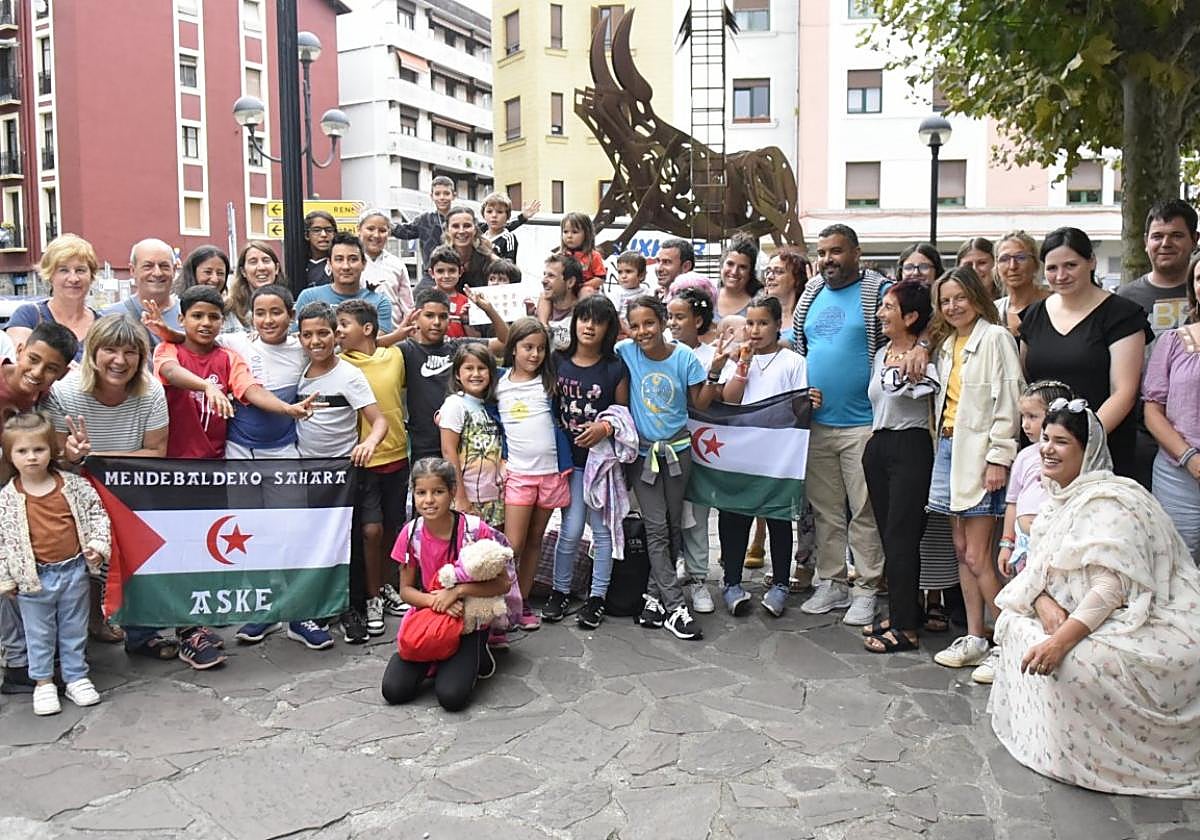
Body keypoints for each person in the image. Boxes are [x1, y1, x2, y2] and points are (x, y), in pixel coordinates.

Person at [989, 402, 1200, 798]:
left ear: (1087, 451)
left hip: (1140, 615)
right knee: (1018, 627)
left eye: (1062, 442)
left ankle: (1112, 761)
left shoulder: (1110, 502)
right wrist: (1045, 606)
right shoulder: (1058, 500)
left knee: (1078, 660)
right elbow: (1037, 570)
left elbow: (1110, 590)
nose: (1048, 449)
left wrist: (1059, 639)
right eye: (1045, 439)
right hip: (1075, 609)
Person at [794, 224, 906, 626]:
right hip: (818, 426)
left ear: (856, 252)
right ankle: (832, 582)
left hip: (863, 424)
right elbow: (799, 348)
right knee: (826, 512)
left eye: (836, 251)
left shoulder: (878, 291)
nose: (828, 260)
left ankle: (866, 589)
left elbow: (903, 337)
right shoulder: (811, 294)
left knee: (865, 511)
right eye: (822, 253)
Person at [48, 315, 170, 660]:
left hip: (130, 488)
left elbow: (156, 452)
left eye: (130, 352)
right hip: (76, 487)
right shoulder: (64, 393)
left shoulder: (151, 392)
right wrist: (72, 455)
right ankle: (82, 627)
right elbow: (59, 457)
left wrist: (94, 455)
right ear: (93, 353)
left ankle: (141, 629)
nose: (119, 360)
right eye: (110, 350)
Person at [928, 266, 1023, 670]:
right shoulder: (948, 344)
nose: (953, 306)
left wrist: (999, 457)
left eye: (959, 298)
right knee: (961, 551)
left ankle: (1008, 641)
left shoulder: (996, 338)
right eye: (945, 300)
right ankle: (975, 636)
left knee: (979, 556)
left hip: (981, 453)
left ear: (976, 297)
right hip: (948, 448)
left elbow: (1010, 401)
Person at [618, 295, 721, 640]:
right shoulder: (625, 354)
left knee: (674, 525)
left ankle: (652, 596)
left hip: (678, 454)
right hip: (644, 457)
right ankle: (676, 606)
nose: (642, 331)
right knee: (656, 527)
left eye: (649, 323)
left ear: (663, 322)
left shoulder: (685, 358)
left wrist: (716, 369)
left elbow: (700, 403)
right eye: (635, 325)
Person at [0, 412, 110, 716]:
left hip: (73, 570)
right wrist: (6, 578)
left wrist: (98, 546)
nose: (32, 457)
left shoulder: (72, 486)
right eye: (22, 451)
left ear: (52, 450)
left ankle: (76, 676)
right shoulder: (7, 499)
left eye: (39, 449)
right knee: (39, 633)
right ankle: (43, 682)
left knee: (74, 628)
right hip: (33, 579)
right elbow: (1, 542)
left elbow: (98, 514)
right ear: (10, 455)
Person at [292, 302, 390, 644]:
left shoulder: (348, 374)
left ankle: (353, 607)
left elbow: (379, 420)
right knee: (316, 542)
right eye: (307, 334)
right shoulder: (300, 369)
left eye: (323, 333)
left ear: (336, 335)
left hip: (345, 472)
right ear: (299, 337)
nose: (315, 341)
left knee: (351, 541)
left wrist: (368, 444)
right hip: (308, 471)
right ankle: (318, 607)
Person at [1019, 227, 1150, 478]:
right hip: (1043, 451)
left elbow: (1124, 392)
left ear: (1091, 262)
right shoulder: (1034, 315)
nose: (1061, 275)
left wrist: (1082, 440)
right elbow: (1027, 380)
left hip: (1101, 449)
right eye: (1052, 268)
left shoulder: (1121, 315)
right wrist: (1049, 442)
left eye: (1070, 265)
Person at [382, 458, 511, 711]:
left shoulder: (475, 530)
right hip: (432, 612)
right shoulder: (410, 534)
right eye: (421, 493)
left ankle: (478, 652)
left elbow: (503, 584)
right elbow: (406, 590)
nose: (429, 500)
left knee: (451, 697)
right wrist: (436, 602)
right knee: (394, 690)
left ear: (452, 492)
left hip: (469, 616)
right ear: (414, 495)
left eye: (438, 492)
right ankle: (446, 659)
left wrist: (458, 591)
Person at [970, 379, 1074, 683]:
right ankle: (1007, 651)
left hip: (1052, 545)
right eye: (1023, 417)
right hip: (1024, 546)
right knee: (1021, 599)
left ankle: (1046, 653)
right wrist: (1007, 542)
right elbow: (1013, 502)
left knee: (1049, 598)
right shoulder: (1025, 457)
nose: (1026, 425)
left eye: (1034, 416)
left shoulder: (1067, 457)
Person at [715, 295, 811, 618]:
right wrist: (741, 365)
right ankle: (731, 581)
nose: (755, 330)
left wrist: (810, 400)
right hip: (741, 451)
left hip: (777, 454)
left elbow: (797, 407)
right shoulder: (738, 359)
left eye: (763, 323)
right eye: (751, 323)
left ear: (777, 324)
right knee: (734, 515)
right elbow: (729, 399)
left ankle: (781, 583)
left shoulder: (793, 362)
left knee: (778, 516)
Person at [542, 296, 629, 629]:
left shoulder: (614, 367)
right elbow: (548, 406)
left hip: (602, 466)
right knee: (571, 529)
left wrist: (605, 427)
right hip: (570, 464)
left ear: (608, 328)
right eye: (584, 318)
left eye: (598, 321)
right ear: (575, 321)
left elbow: (623, 414)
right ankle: (560, 591)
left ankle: (597, 598)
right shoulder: (558, 360)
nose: (590, 326)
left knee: (604, 533)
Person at [861, 281, 938, 654]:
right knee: (889, 537)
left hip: (911, 444)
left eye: (889, 308)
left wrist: (923, 345)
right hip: (879, 444)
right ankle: (902, 611)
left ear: (911, 316)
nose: (881, 314)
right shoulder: (882, 353)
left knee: (902, 537)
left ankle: (906, 629)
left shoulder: (929, 353)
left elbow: (939, 323)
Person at [0, 323, 77, 695]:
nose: (37, 373)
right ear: (21, 350)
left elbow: (58, 452)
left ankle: (30, 661)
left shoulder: (49, 401)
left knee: (18, 582)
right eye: (33, 360)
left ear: (62, 373)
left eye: (51, 368)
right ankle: (18, 662)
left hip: (18, 501)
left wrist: (70, 455)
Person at [334, 299, 411, 639]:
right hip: (363, 461)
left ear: (366, 328)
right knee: (371, 531)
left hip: (398, 456)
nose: (337, 331)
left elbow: (381, 347)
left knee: (394, 527)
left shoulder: (394, 356)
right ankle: (371, 597)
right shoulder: (340, 362)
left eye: (344, 325)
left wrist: (392, 336)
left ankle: (387, 588)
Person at [1118, 199, 1200, 490]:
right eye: (1157, 236)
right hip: (1142, 436)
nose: (1165, 243)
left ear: (1195, 240)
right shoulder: (1124, 299)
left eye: (1176, 235)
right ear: (1145, 242)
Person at [495, 318, 566, 631]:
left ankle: (521, 602)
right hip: (519, 475)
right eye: (527, 347)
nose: (534, 354)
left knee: (536, 539)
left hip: (551, 473)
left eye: (540, 348)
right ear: (513, 350)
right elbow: (476, 405)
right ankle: (502, 602)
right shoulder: (498, 382)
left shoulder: (550, 381)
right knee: (513, 544)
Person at [396, 288, 508, 464]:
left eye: (443, 316)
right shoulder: (406, 350)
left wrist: (489, 310)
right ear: (416, 316)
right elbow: (370, 352)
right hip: (425, 445)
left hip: (464, 442)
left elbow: (504, 342)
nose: (436, 322)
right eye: (429, 315)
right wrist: (396, 334)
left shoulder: (458, 347)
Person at [1142, 258, 1200, 561]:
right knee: (1178, 567)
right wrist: (1190, 458)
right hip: (1178, 472)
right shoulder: (1173, 341)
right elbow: (1153, 411)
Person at [665, 286, 718, 613]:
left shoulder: (711, 356)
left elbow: (719, 397)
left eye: (680, 316)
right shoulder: (658, 352)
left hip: (702, 449)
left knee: (696, 516)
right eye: (669, 316)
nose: (672, 323)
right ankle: (666, 577)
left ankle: (699, 580)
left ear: (698, 320)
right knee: (666, 518)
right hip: (666, 450)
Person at [438, 344, 505, 529]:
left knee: (494, 552)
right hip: (467, 495)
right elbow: (448, 450)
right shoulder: (455, 404)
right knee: (466, 552)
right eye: (469, 368)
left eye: (482, 368)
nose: (476, 374)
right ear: (458, 374)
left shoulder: (494, 405)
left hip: (495, 496)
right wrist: (460, 497)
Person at [6, 234, 100, 363]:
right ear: (50, 275)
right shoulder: (29, 316)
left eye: (80, 270)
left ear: (91, 275)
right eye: (64, 270)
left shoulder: (102, 325)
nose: (73, 279)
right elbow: (20, 366)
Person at [294, 232, 394, 333]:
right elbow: (296, 336)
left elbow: (378, 341)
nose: (346, 266)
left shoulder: (379, 302)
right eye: (339, 259)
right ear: (329, 264)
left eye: (353, 259)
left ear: (364, 264)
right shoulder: (309, 297)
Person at [102, 238, 181, 349]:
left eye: (164, 266)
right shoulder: (109, 316)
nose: (157, 273)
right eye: (148, 266)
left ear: (174, 270)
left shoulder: (192, 315)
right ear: (132, 270)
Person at [390, 175, 457, 287]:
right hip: (430, 276)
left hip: (457, 273)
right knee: (415, 301)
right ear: (431, 196)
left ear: (453, 195)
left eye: (446, 193)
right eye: (437, 194)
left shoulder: (461, 216)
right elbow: (404, 231)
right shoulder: (424, 219)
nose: (442, 197)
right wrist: (382, 224)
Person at [358, 208, 415, 316]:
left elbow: (408, 306)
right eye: (370, 229)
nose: (376, 235)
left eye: (382, 230)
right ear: (359, 230)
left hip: (395, 330)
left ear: (389, 233)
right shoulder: (350, 263)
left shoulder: (397, 265)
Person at [176, 246, 243, 334]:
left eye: (220, 273)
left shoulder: (231, 309)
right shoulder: (176, 307)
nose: (215, 279)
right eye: (208, 272)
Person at [993, 231, 1047, 336]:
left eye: (1021, 257)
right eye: (1004, 259)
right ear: (997, 266)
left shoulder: (1053, 305)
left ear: (1035, 264)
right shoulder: (993, 312)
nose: (1012, 266)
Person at [226, 241, 284, 330]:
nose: (261, 267)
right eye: (253, 262)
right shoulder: (230, 309)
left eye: (266, 261)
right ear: (243, 272)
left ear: (276, 268)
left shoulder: (288, 304)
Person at [442, 206, 496, 289]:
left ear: (475, 229)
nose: (461, 231)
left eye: (467, 226)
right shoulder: (441, 258)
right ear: (447, 230)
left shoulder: (488, 259)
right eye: (455, 226)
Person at [537, 254, 583, 351]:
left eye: (551, 276)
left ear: (570, 282)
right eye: (544, 274)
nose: (543, 281)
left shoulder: (584, 317)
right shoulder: (539, 312)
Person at [764, 247, 809, 345]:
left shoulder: (808, 317)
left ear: (797, 279)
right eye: (768, 272)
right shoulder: (761, 315)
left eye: (779, 272)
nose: (769, 277)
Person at [479, 191, 540, 262]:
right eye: (489, 211)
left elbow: (509, 266)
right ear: (483, 215)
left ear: (507, 216)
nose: (494, 215)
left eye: (500, 212)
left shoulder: (508, 238)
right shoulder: (479, 233)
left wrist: (489, 253)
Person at [558, 212, 606, 295]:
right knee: (545, 295)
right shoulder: (560, 256)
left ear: (587, 234)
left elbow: (600, 279)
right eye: (565, 232)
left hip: (587, 293)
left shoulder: (594, 256)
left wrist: (582, 286)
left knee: (586, 291)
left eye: (575, 232)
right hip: (566, 292)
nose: (569, 236)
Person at [715, 236, 761, 322]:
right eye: (730, 264)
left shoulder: (759, 304)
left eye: (742, 267)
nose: (734, 271)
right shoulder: (709, 296)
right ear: (721, 265)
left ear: (750, 272)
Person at [609, 250, 652, 318]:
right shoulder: (617, 292)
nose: (623, 276)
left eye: (628, 271)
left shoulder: (646, 291)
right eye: (620, 272)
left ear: (641, 275)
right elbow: (614, 316)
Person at [304, 210, 337, 287]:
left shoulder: (340, 263)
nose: (323, 235)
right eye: (316, 230)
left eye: (329, 230)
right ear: (307, 235)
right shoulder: (300, 265)